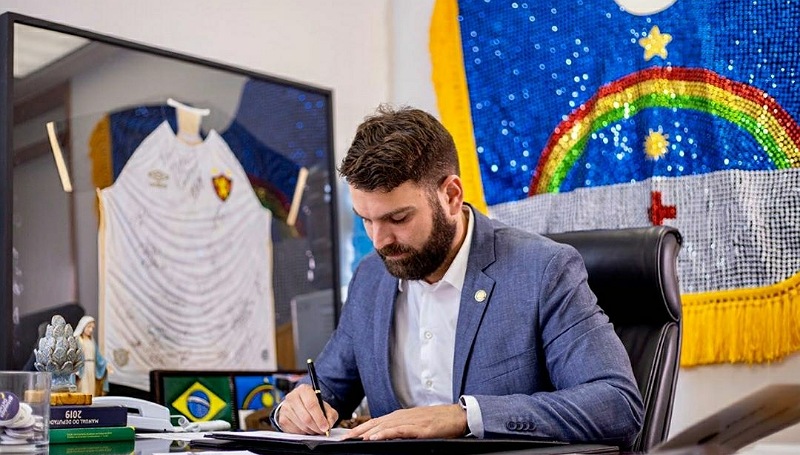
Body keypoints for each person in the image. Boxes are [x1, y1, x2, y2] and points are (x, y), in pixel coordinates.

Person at [273, 105, 644, 446]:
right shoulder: (371, 277)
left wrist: (466, 416)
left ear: (451, 196)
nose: (379, 240)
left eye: (398, 218)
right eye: (366, 220)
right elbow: (324, 389)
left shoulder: (543, 270)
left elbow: (617, 403)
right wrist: (295, 409)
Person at [74, 315, 110, 396]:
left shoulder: (92, 341)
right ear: (83, 326)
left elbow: (98, 357)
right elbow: (74, 356)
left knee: (91, 391)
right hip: (82, 369)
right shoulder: (77, 340)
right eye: (89, 327)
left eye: (92, 328)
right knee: (83, 389)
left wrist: (105, 364)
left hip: (92, 368)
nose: (91, 330)